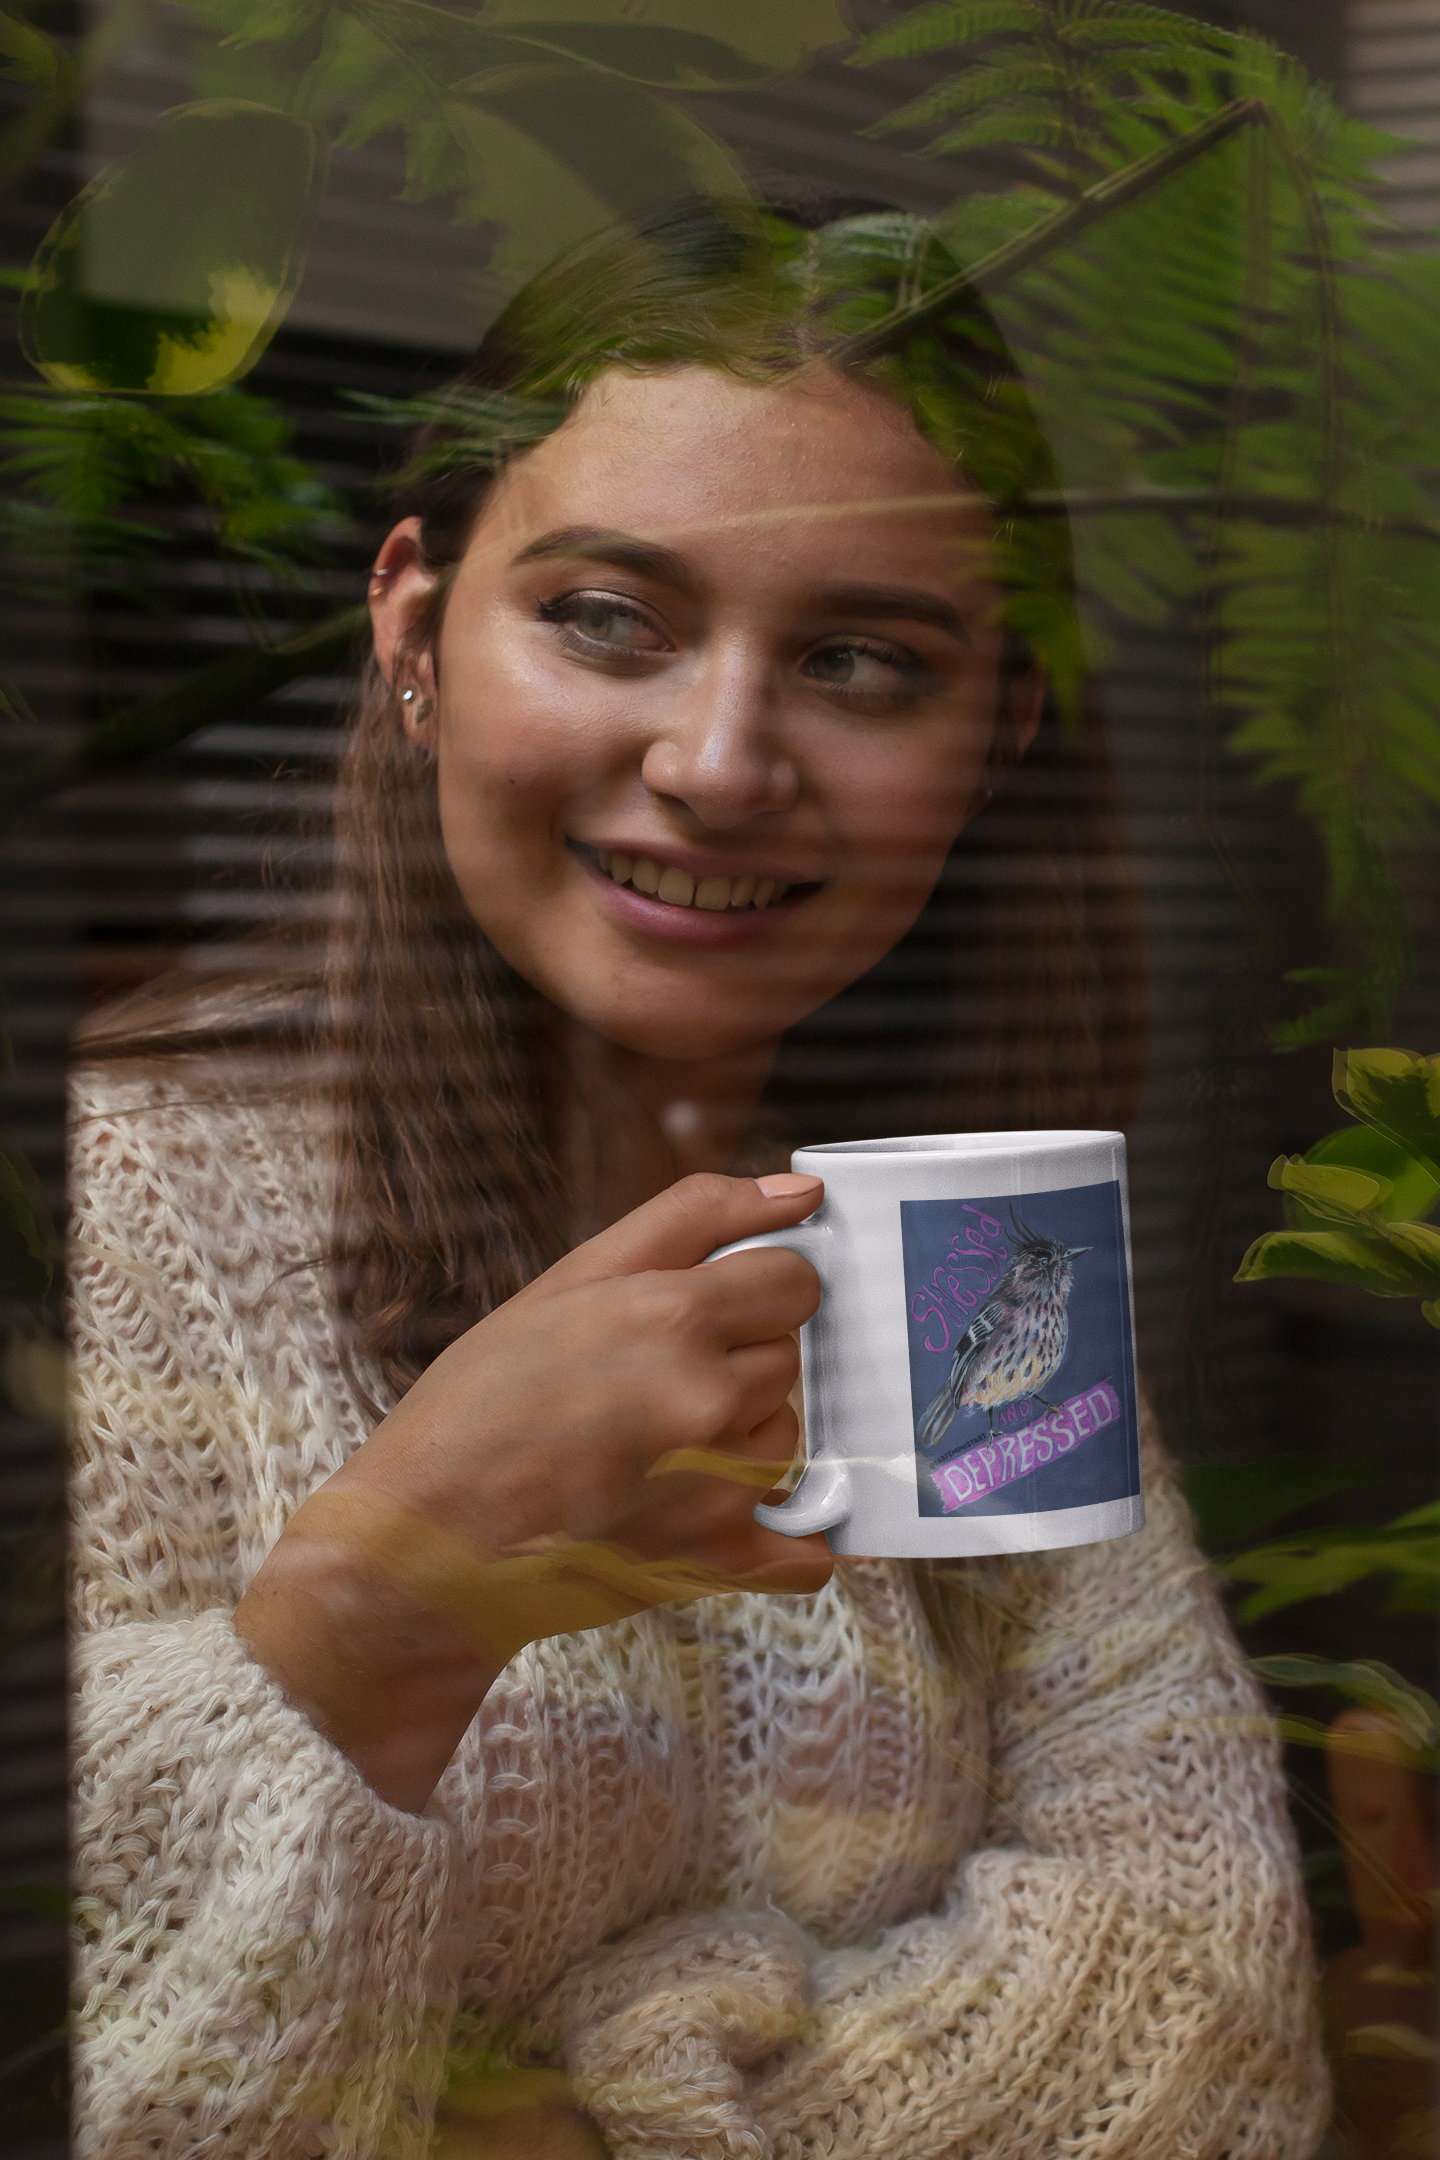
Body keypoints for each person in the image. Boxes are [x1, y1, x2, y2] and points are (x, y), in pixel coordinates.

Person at [68, 203, 1327, 2158]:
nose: (724, 761)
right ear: (414, 633)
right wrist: (390, 1582)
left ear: (995, 732)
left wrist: (611, 2096)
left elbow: (1210, 2015)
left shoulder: (965, 1258)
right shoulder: (109, 1218)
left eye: (858, 660)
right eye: (606, 620)